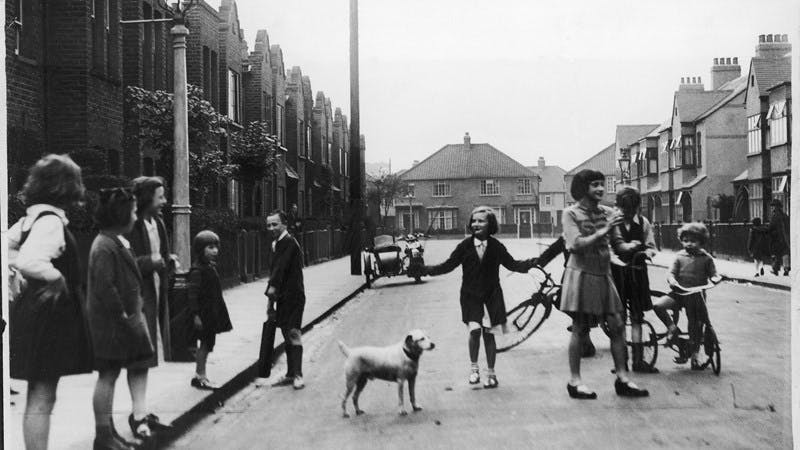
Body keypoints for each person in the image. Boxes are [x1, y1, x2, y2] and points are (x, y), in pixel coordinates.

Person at [8, 154, 94, 450]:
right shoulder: (52, 221)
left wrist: (16, 272)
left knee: (39, 393)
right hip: (49, 316)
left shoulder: (29, 219)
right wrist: (55, 277)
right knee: (43, 395)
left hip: (35, 311)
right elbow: (31, 259)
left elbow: (10, 251)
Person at [423, 206, 537, 388]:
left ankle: (491, 373)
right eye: (473, 220)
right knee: (475, 331)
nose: (476, 224)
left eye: (481, 221)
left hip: (492, 296)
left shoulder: (497, 246)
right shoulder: (465, 246)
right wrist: (426, 270)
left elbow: (513, 264)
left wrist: (531, 263)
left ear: (490, 224)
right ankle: (474, 369)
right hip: (471, 296)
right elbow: (448, 265)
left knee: (489, 335)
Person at [560, 170, 648, 399]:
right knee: (580, 327)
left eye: (602, 184)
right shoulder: (571, 213)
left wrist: (638, 247)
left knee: (617, 325)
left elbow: (618, 244)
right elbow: (576, 244)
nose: (600, 189)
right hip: (581, 274)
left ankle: (623, 379)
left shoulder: (609, 213)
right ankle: (575, 381)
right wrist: (606, 229)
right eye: (595, 185)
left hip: (604, 274)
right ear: (582, 188)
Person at [87, 187, 153, 450]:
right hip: (110, 324)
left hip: (116, 323)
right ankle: (102, 435)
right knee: (107, 376)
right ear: (122, 215)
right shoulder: (104, 245)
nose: (136, 217)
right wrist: (123, 315)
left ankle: (108, 433)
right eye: (134, 212)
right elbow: (105, 286)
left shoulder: (113, 241)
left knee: (111, 375)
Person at [125, 176, 176, 438]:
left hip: (155, 296)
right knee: (138, 360)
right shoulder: (131, 225)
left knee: (146, 358)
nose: (165, 202)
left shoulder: (157, 222)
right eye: (161, 197)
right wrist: (152, 261)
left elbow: (163, 255)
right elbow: (126, 262)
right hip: (138, 301)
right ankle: (138, 416)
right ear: (147, 199)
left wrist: (168, 261)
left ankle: (142, 411)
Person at [652, 222, 720, 370]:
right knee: (658, 305)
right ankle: (671, 327)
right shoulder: (679, 256)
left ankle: (694, 355)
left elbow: (714, 274)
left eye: (693, 241)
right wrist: (672, 280)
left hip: (696, 295)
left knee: (695, 325)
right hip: (679, 292)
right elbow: (671, 272)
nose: (689, 244)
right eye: (685, 240)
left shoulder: (706, 258)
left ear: (701, 242)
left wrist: (715, 279)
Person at [609, 187, 659, 373]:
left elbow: (651, 246)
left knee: (637, 316)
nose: (628, 213)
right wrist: (615, 256)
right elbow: (608, 246)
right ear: (619, 206)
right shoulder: (613, 223)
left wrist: (646, 252)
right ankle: (621, 362)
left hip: (638, 274)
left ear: (637, 207)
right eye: (624, 209)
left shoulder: (644, 223)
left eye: (632, 209)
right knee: (618, 318)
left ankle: (639, 361)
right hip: (618, 276)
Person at [263, 210, 307, 390]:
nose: (271, 228)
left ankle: (298, 375)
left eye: (275, 224)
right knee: (286, 335)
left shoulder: (289, 243)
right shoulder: (277, 244)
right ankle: (290, 373)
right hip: (282, 297)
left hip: (294, 297)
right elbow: (274, 272)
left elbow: (279, 272)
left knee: (293, 334)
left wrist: (270, 296)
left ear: (285, 225)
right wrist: (271, 301)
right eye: (269, 225)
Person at [188, 230, 233, 390]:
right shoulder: (198, 271)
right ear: (200, 249)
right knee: (205, 344)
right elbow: (192, 295)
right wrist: (196, 315)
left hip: (211, 313)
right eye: (210, 247)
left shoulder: (208, 267)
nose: (215, 251)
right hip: (204, 314)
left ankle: (201, 375)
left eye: (216, 247)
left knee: (208, 343)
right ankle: (200, 375)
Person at [767, 199, 790, 276]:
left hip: (776, 238)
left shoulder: (775, 216)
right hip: (785, 238)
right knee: (785, 253)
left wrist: (767, 230)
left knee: (776, 254)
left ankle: (775, 269)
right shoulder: (785, 216)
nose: (772, 208)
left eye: (773, 206)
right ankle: (786, 268)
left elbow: (771, 227)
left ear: (777, 207)